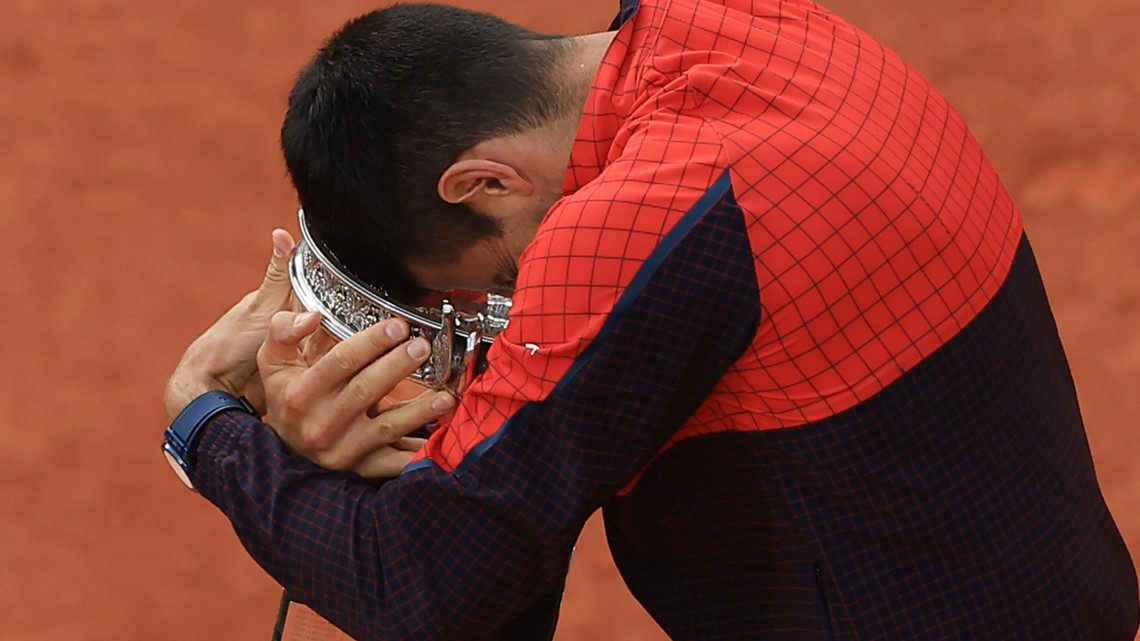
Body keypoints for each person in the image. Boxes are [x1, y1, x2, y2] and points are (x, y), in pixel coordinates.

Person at [162, 0, 1140, 639]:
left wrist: (207, 421)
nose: (510, 299)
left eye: (495, 271)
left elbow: (426, 587)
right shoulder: (741, 26)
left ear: (486, 181)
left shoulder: (638, 231)